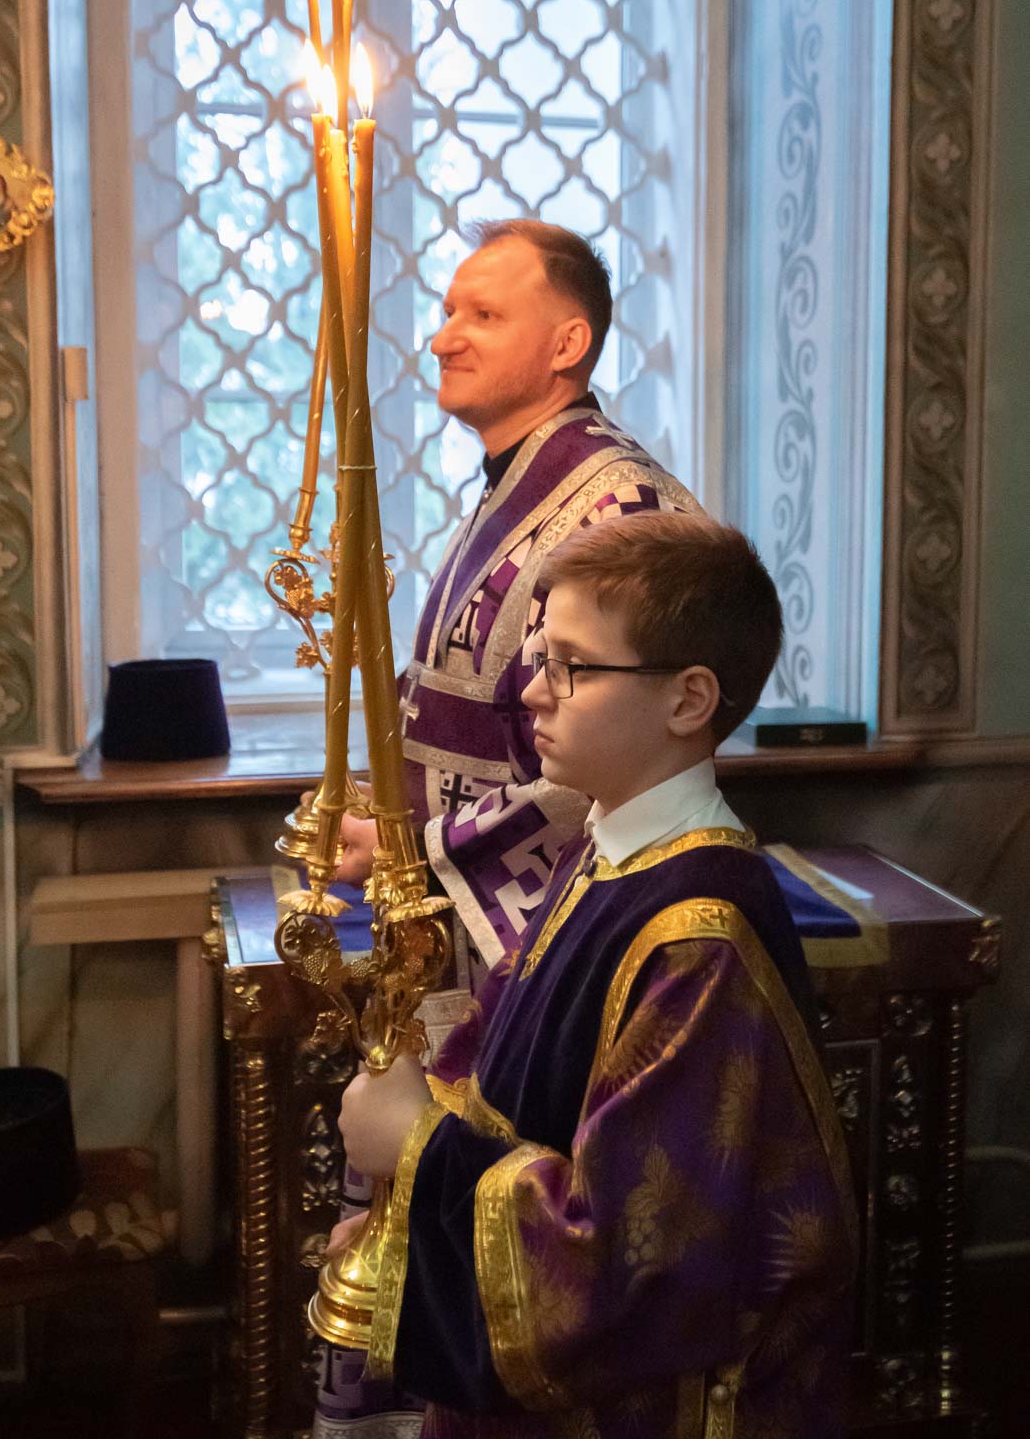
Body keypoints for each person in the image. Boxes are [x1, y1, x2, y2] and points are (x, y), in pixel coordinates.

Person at [333, 511, 858, 1439]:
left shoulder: (700, 934)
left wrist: (415, 1148)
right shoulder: (606, 848)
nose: (533, 692)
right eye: (541, 658)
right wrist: (403, 1220)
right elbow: (495, 1060)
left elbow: (627, 1260)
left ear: (688, 700)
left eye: (571, 666)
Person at [337, 219, 699, 973]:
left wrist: (415, 849)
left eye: (484, 315)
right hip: (455, 917)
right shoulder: (518, 485)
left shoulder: (619, 507)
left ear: (567, 345)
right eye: (448, 313)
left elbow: (612, 759)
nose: (443, 340)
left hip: (561, 936)